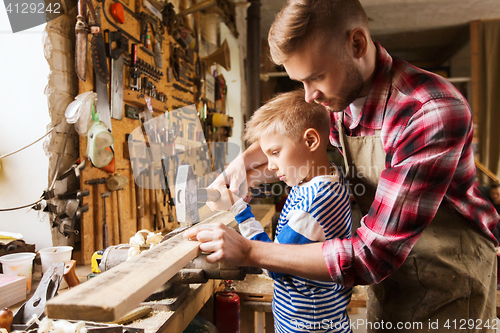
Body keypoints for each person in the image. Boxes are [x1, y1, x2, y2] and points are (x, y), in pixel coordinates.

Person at [185, 0, 500, 331]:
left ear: (357, 44)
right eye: (301, 81)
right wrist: (243, 161)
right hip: (392, 284)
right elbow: (297, 132)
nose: (309, 96)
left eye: (316, 76)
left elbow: (371, 255)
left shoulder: (428, 112)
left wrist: (249, 251)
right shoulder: (341, 99)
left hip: (447, 285)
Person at [210, 90, 353, 332]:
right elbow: (287, 160)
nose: (272, 164)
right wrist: (245, 175)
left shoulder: (314, 205)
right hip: (316, 315)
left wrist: (238, 208)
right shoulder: (323, 177)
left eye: (275, 153)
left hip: (307, 324)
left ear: (311, 141)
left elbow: (272, 264)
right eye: (267, 155)